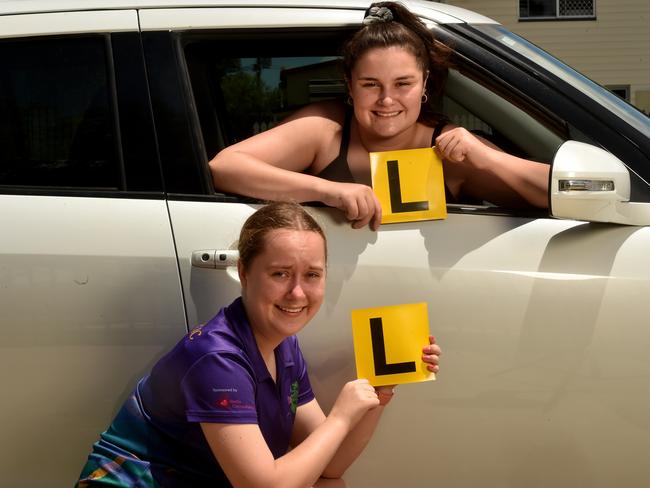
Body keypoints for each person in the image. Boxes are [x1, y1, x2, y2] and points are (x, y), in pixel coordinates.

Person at [76, 202, 442, 487]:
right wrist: (342, 415)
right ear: (245, 273)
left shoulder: (283, 346)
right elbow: (262, 485)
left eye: (312, 275)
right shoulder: (217, 359)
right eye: (280, 273)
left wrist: (379, 395)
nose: (297, 292)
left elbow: (330, 464)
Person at [209, 1, 550, 232]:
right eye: (371, 84)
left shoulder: (449, 149)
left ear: (424, 84)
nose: (387, 100)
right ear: (350, 85)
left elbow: (555, 191)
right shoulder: (327, 129)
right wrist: (329, 191)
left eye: (403, 84)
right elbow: (224, 168)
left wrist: (486, 157)